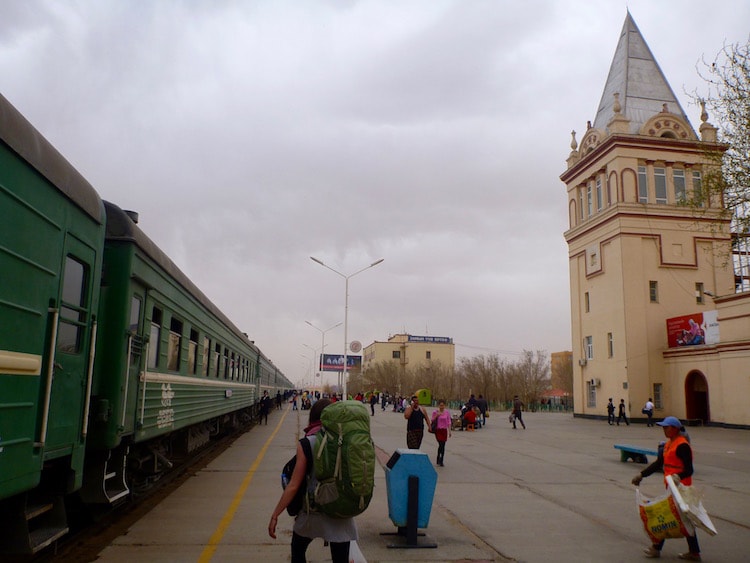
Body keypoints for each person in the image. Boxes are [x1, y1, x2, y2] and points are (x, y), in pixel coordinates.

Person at [268, 398, 356, 563]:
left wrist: (275, 514)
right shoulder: (345, 441)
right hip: (340, 511)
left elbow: (293, 485)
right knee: (341, 558)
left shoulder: (307, 443)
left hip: (313, 512)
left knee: (298, 549)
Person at [631, 416, 701, 561]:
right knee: (680, 519)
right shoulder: (668, 444)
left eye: (666, 427)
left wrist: (678, 477)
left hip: (682, 488)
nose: (664, 430)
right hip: (671, 488)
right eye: (663, 427)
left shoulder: (682, 445)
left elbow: (689, 469)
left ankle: (657, 548)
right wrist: (641, 475)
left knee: (666, 517)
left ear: (675, 429)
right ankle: (693, 552)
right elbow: (658, 464)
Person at [430, 400, 452, 466]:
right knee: (440, 444)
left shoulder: (447, 412)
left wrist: (450, 431)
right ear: (438, 406)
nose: (441, 407)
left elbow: (449, 422)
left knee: (443, 445)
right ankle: (439, 457)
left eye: (443, 405)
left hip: (444, 430)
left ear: (444, 406)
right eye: (440, 405)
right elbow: (432, 420)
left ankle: (441, 459)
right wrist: (437, 415)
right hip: (438, 430)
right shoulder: (435, 412)